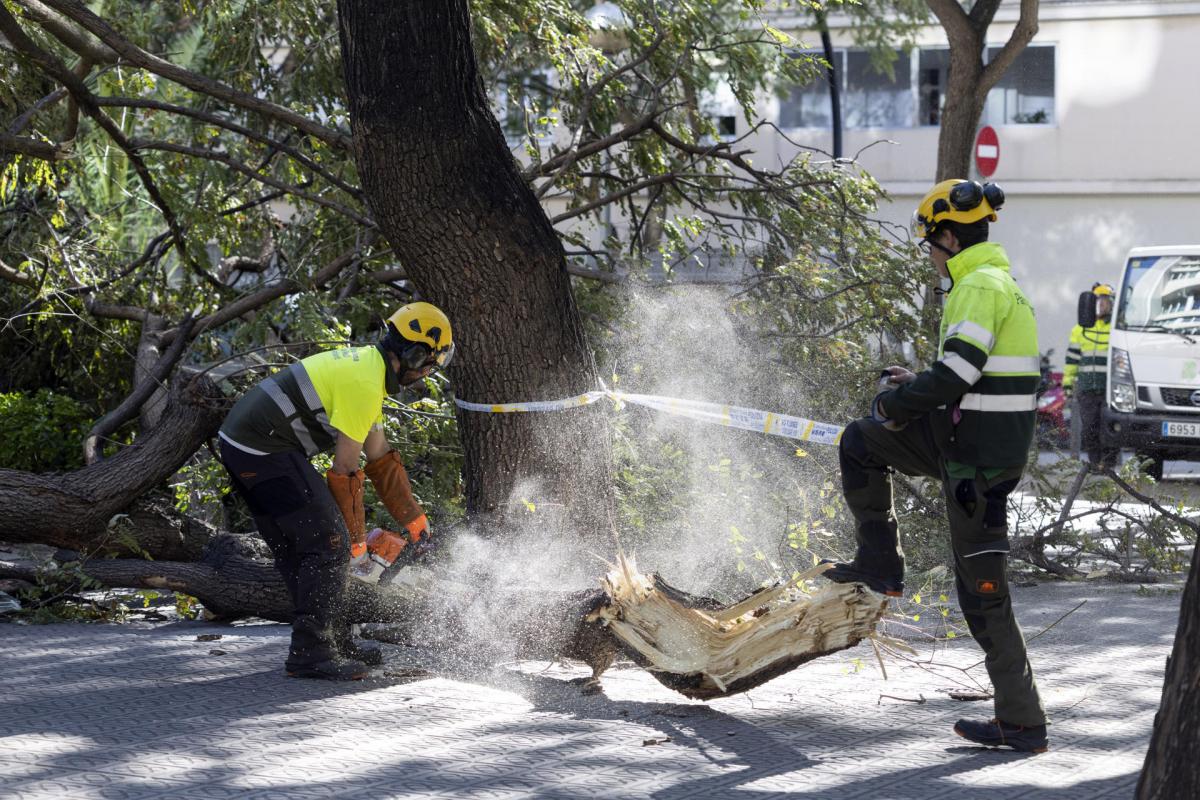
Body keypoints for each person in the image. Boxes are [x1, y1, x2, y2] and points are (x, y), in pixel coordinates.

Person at [823, 179, 1049, 753]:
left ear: (948, 237)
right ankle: (880, 563)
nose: (929, 254)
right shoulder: (996, 283)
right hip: (964, 444)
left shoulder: (978, 285)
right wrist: (915, 386)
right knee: (861, 442)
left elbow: (957, 374)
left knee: (983, 594)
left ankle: (1022, 721)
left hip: (976, 463)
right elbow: (968, 375)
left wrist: (897, 403)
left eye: (930, 243)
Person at [218, 302, 454, 680]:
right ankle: (311, 652)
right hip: (262, 448)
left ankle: (333, 641)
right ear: (413, 354)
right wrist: (355, 545)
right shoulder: (365, 384)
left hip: (246, 444)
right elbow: (344, 472)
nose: (427, 372)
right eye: (428, 364)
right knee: (330, 544)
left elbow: (379, 457)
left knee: (302, 549)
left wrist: (414, 520)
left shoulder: (369, 371)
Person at [1064, 283, 1117, 468]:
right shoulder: (1079, 330)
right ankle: (1095, 464)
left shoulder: (1116, 329)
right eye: (1098, 300)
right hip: (1087, 389)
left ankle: (1109, 465)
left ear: (1112, 304)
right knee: (1089, 429)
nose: (1101, 304)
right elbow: (1072, 359)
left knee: (1109, 428)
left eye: (1105, 300)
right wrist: (1068, 383)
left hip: (1110, 390)